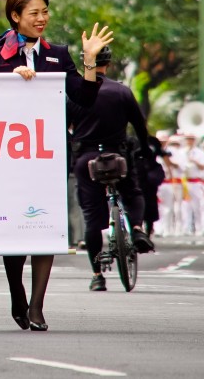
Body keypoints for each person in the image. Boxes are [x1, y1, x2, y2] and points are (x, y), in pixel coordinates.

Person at [0, 0, 112, 331]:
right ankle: (16, 292)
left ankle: (38, 306)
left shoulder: (57, 53)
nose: (42, 19)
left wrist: (88, 62)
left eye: (44, 12)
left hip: (49, 155)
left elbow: (83, 97)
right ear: (16, 16)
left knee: (45, 229)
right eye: (34, 13)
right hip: (8, 157)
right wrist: (11, 79)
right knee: (15, 231)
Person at [67, 46, 154, 292]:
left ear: (85, 63)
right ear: (109, 63)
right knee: (133, 193)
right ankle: (137, 228)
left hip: (87, 160)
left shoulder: (72, 95)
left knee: (92, 219)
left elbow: (63, 128)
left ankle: (97, 275)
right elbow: (140, 126)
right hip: (118, 155)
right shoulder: (122, 91)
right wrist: (145, 152)